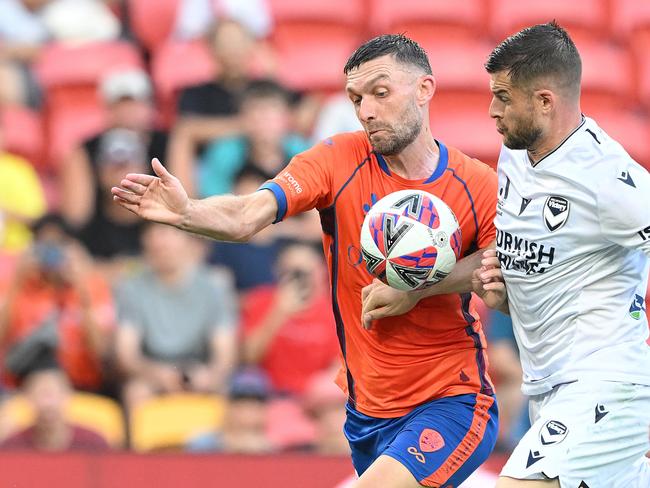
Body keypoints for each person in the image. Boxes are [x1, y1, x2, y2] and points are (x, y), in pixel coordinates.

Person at [112, 34, 499, 488]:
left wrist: (415, 288)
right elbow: (246, 216)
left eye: (380, 92)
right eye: (355, 99)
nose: (366, 111)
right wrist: (187, 212)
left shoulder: (478, 185)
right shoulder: (338, 159)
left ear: (424, 89)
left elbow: (498, 275)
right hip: (367, 412)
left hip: (451, 398)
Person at [473, 22, 650, 488]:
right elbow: (550, 262)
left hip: (605, 385)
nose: (492, 110)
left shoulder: (609, 179)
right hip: (548, 389)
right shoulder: (515, 153)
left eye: (504, 97)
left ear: (545, 101)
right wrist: (505, 290)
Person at [114, 222, 237, 412]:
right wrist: (158, 374)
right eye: (153, 237)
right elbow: (126, 355)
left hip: (199, 370)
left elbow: (225, 354)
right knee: (136, 392)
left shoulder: (214, 285)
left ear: (188, 241)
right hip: (152, 372)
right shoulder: (131, 287)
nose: (159, 243)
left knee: (228, 394)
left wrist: (209, 376)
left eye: (167, 235)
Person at [0, 214, 115, 392]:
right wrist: (17, 281)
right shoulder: (16, 285)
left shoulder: (91, 286)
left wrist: (81, 289)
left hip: (80, 386)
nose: (51, 255)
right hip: (23, 387)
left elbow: (101, 353)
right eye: (44, 247)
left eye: (57, 246)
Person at [241, 240, 339, 396]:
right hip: (268, 396)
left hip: (315, 400)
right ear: (278, 271)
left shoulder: (334, 312)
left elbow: (338, 369)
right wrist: (278, 312)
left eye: (306, 272)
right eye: (292, 271)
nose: (300, 278)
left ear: (321, 272)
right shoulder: (261, 301)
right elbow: (249, 358)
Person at [0, 367, 110, 452]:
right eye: (41, 394)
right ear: (28, 399)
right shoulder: (12, 447)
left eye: (53, 394)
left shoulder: (93, 444)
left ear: (68, 395)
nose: (48, 404)